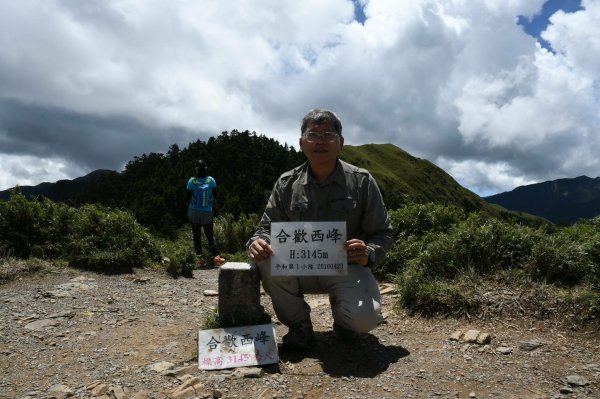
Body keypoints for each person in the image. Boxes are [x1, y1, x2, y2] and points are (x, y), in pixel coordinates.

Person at [246, 109, 393, 350]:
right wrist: (257, 242)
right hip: (298, 267)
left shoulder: (362, 181)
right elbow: (266, 227)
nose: (321, 141)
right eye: (313, 134)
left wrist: (369, 252)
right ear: (302, 143)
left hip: (346, 267)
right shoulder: (286, 184)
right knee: (266, 260)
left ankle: (346, 323)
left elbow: (383, 232)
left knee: (364, 320)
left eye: (328, 135)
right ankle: (299, 325)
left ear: (341, 142)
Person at [187, 160, 225, 267]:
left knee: (196, 235)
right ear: (206, 167)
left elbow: (187, 197)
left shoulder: (192, 181)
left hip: (194, 211)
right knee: (209, 235)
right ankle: (216, 258)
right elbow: (216, 195)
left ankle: (199, 260)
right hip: (207, 211)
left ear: (195, 168)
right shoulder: (211, 180)